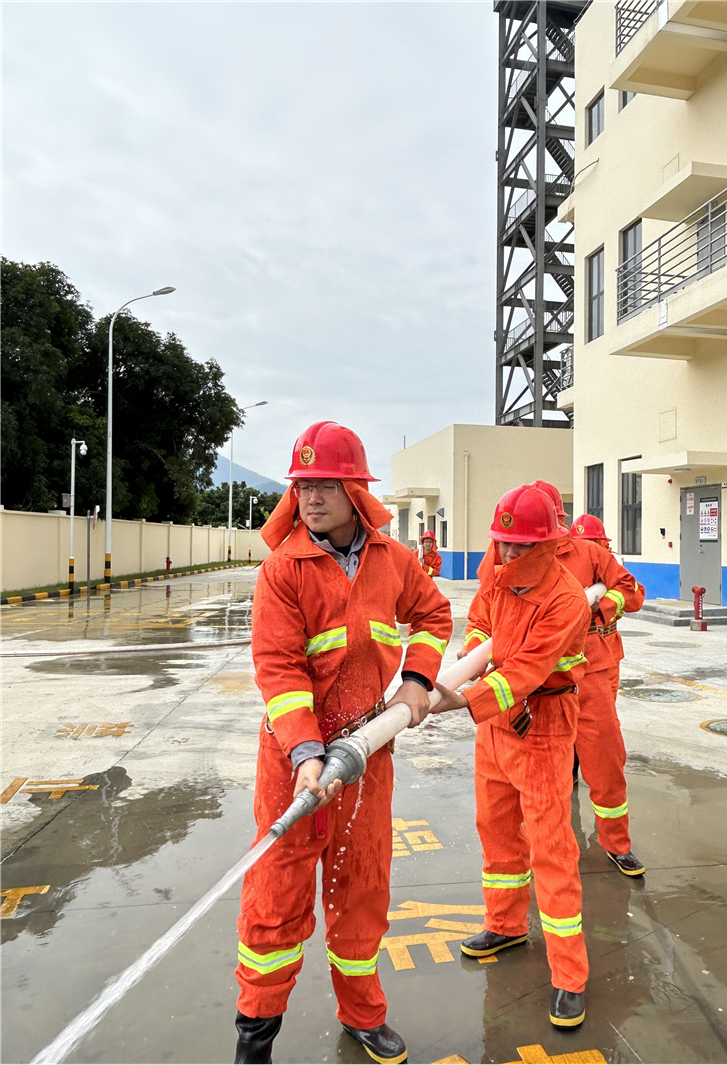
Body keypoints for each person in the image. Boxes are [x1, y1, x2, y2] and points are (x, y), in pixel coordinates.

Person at [235, 421, 452, 1065]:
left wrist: (416, 682)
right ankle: (255, 1034)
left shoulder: (393, 561)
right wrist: (305, 754)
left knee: (362, 890)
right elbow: (278, 667)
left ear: (355, 489)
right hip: (294, 765)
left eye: (325, 483)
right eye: (302, 485)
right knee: (275, 903)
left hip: (368, 758)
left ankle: (363, 1016)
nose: (311, 497)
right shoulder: (284, 569)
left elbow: (435, 617)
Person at [433, 484, 591, 1028]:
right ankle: (505, 926)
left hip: (543, 723)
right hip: (495, 726)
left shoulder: (567, 599)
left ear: (549, 545)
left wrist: (458, 697)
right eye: (502, 544)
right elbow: (480, 620)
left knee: (551, 847)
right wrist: (471, 654)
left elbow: (526, 670)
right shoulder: (497, 573)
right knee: (496, 829)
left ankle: (570, 977)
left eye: (521, 547)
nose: (508, 556)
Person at [530, 484, 646, 877]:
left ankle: (617, 844)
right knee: (547, 770)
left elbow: (630, 590)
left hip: (592, 674)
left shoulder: (589, 554)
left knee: (605, 761)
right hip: (539, 679)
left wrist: (602, 609)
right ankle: (550, 845)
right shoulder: (513, 556)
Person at [570, 513, 646, 698]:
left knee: (605, 707)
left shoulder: (613, 567)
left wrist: (603, 606)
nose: (588, 550)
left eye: (592, 543)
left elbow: (635, 600)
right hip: (577, 650)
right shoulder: (568, 567)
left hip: (608, 646)